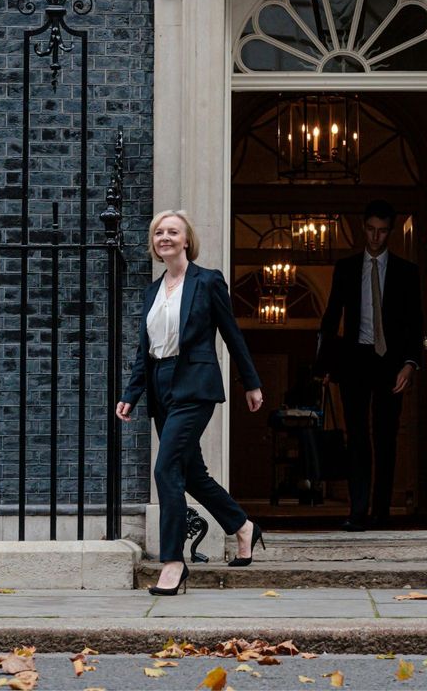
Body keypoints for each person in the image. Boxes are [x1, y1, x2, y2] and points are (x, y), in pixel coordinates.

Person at [116, 210, 266, 595]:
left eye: (173, 232)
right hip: (160, 384)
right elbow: (143, 351)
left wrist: (251, 383)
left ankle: (172, 562)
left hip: (195, 385)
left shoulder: (207, 281)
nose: (165, 237)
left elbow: (232, 335)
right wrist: (131, 394)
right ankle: (242, 526)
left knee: (166, 469)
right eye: (159, 232)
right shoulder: (152, 290)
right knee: (192, 473)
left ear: (187, 241)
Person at [316, 200, 421, 532]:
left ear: (390, 231)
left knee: (386, 437)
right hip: (355, 360)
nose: (376, 237)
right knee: (357, 437)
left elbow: (415, 323)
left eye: (382, 231)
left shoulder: (406, 271)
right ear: (364, 228)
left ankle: (381, 512)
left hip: (390, 363)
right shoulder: (346, 268)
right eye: (371, 230)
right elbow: (332, 317)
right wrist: (325, 365)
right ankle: (357, 511)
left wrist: (410, 363)